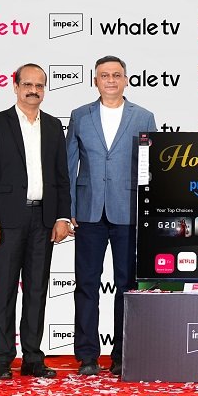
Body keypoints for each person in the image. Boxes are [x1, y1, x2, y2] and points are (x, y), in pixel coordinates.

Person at [0, 63, 72, 380]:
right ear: (15, 86)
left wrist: (62, 216)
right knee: (4, 290)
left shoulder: (53, 126)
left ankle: (33, 357)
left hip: (43, 219)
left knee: (36, 290)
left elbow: (62, 176)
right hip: (6, 221)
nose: (33, 90)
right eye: (27, 84)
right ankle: (3, 359)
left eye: (39, 85)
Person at [66, 55, 157, 377]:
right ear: (95, 81)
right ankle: (87, 356)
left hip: (128, 211)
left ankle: (122, 354)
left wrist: (147, 211)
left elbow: (150, 169)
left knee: (126, 285)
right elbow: (69, 165)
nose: (111, 80)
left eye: (116, 75)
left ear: (126, 79)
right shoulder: (80, 115)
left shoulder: (143, 116)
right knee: (86, 285)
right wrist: (69, 209)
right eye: (104, 75)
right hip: (88, 212)